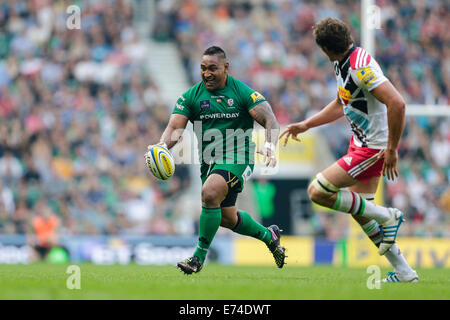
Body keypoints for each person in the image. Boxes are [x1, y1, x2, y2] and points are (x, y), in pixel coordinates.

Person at [280, 18, 418, 283]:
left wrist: (392, 149)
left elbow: (398, 104)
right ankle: (404, 272)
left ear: (324, 49)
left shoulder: (361, 67)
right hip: (361, 142)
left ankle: (388, 216)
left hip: (373, 148)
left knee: (317, 191)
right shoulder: (341, 62)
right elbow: (340, 102)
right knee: (360, 210)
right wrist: (307, 124)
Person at [147, 46, 286, 274]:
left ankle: (198, 258)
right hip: (209, 162)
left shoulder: (242, 92)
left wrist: (270, 144)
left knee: (210, 193)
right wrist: (162, 146)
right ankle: (268, 236)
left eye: (213, 68)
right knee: (226, 218)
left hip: (239, 156)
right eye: (203, 68)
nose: (207, 73)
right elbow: (174, 127)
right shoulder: (191, 96)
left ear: (226, 68)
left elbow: (269, 118)